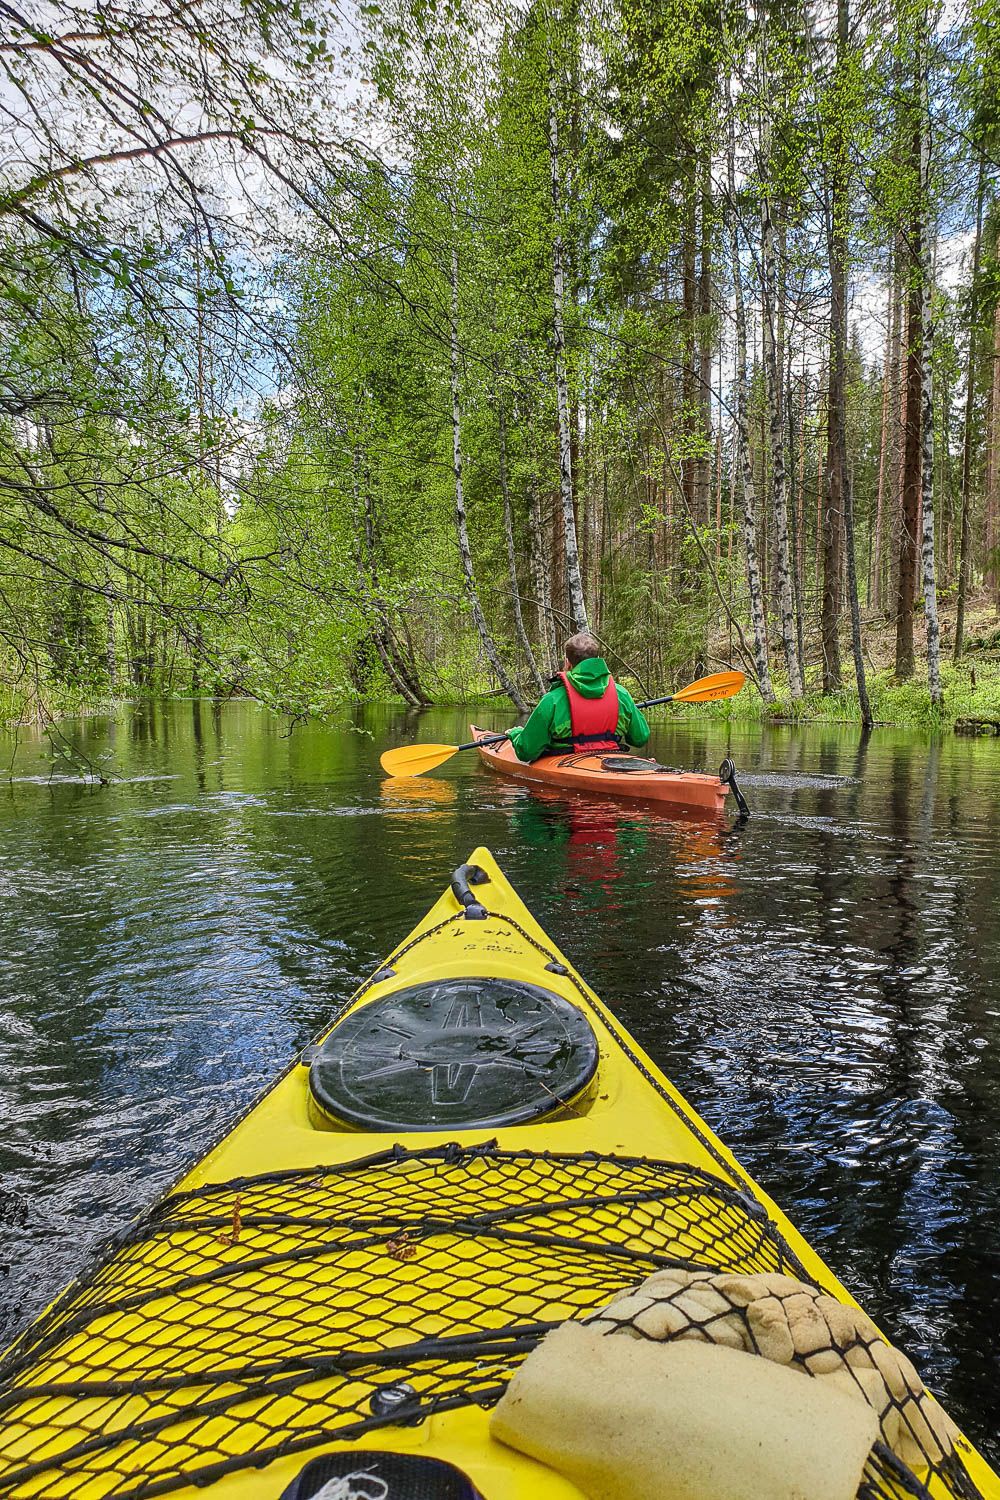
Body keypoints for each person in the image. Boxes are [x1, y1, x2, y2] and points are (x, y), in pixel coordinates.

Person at [507, 633, 651, 763]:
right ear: (598, 660)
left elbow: (526, 752)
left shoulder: (552, 700)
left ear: (567, 662)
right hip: (612, 758)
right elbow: (640, 738)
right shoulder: (622, 694)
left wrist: (516, 734)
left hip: (565, 761)